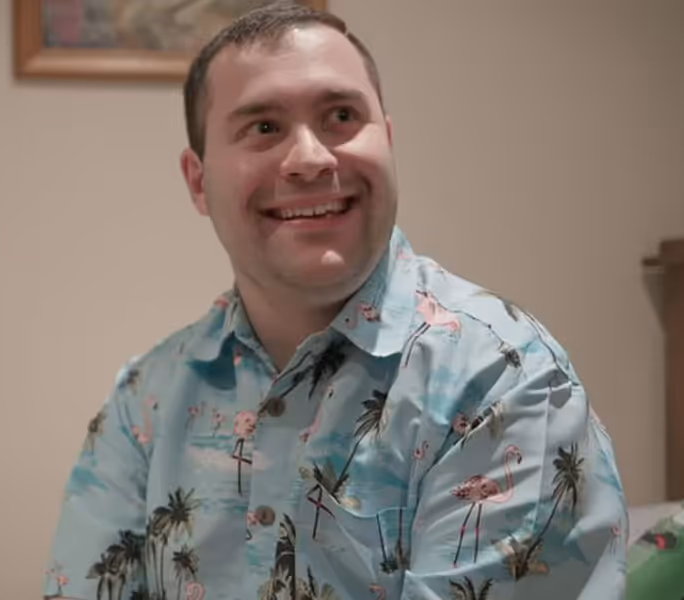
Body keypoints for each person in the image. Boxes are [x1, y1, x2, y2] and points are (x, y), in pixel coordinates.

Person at [41, 2, 628, 598]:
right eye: (263, 127)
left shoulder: (502, 381)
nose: (311, 159)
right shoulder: (144, 403)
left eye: (341, 115)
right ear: (199, 181)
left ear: (389, 142)